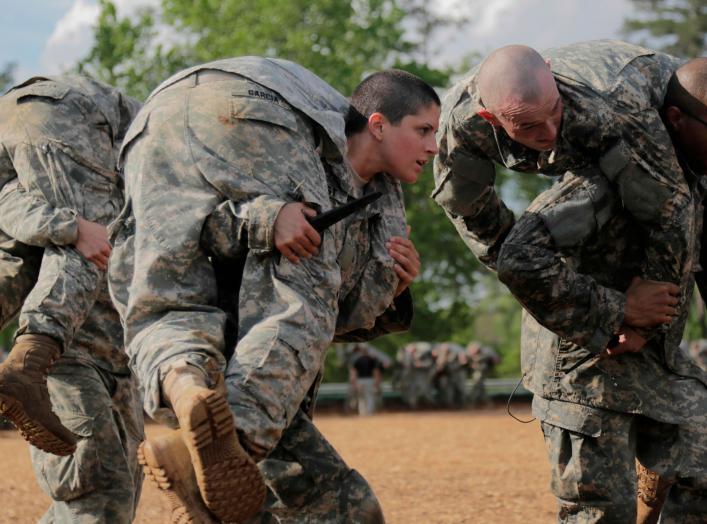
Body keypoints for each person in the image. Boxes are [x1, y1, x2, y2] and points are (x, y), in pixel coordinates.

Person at [108, 58, 438, 523]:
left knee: (352, 512)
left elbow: (339, 317)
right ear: (379, 126)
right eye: (424, 130)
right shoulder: (306, 146)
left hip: (150, 121)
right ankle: (227, 442)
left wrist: (393, 286)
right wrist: (269, 217)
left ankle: (186, 392)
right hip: (252, 98)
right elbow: (309, 303)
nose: (435, 146)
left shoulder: (380, 203)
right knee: (301, 287)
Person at [494, 58, 707, 522]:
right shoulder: (602, 181)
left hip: (658, 364)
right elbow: (519, 258)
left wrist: (649, 329)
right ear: (677, 121)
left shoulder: (697, 182)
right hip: (586, 367)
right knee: (600, 513)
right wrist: (615, 313)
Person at [432, 40, 688, 342]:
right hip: (602, 157)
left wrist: (646, 322)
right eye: (528, 126)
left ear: (551, 77)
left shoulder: (611, 102)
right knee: (523, 257)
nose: (550, 132)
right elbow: (474, 217)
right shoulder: (462, 126)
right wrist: (552, 291)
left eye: (554, 110)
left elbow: (671, 209)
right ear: (491, 118)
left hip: (675, 131)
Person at [0, 75, 144, 522]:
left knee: (117, 494)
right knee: (91, 233)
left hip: (109, 352)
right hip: (72, 352)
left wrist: (62, 226)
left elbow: (9, 213)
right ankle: (31, 359)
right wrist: (72, 228)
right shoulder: (178, 153)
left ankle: (34, 354)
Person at [349, 343, 383, 416]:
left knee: (361, 398)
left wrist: (354, 383)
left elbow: (353, 373)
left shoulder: (357, 360)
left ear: (360, 351)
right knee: (370, 397)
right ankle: (370, 413)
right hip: (370, 380)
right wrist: (377, 383)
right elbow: (376, 372)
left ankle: (362, 413)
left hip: (360, 381)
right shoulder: (372, 360)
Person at [466, 341, 500, 408]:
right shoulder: (472, 354)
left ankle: (471, 404)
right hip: (477, 372)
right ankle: (489, 404)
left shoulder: (486, 352)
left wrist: (476, 359)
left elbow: (495, 360)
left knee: (477, 387)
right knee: (480, 388)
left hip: (482, 372)